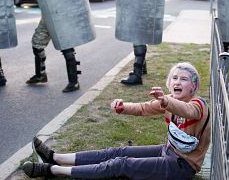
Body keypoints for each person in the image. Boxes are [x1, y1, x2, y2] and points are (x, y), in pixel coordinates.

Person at [21, 62, 211, 180]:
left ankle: (52, 170)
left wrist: (165, 101)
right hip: (167, 151)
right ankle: (56, 157)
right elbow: (144, 108)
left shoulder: (198, 105)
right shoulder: (169, 100)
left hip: (182, 166)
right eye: (174, 78)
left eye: (184, 79)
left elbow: (188, 111)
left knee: (121, 164)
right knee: (117, 152)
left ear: (194, 86)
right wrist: (123, 107)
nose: (177, 82)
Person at [13, 0, 81, 93]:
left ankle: (74, 82)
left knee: (66, 46)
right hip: (48, 14)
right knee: (37, 43)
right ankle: (40, 75)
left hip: (63, 13)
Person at [119, 0, 151, 86]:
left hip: (140, 6)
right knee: (139, 37)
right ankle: (142, 68)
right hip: (137, 5)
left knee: (138, 38)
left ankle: (137, 75)